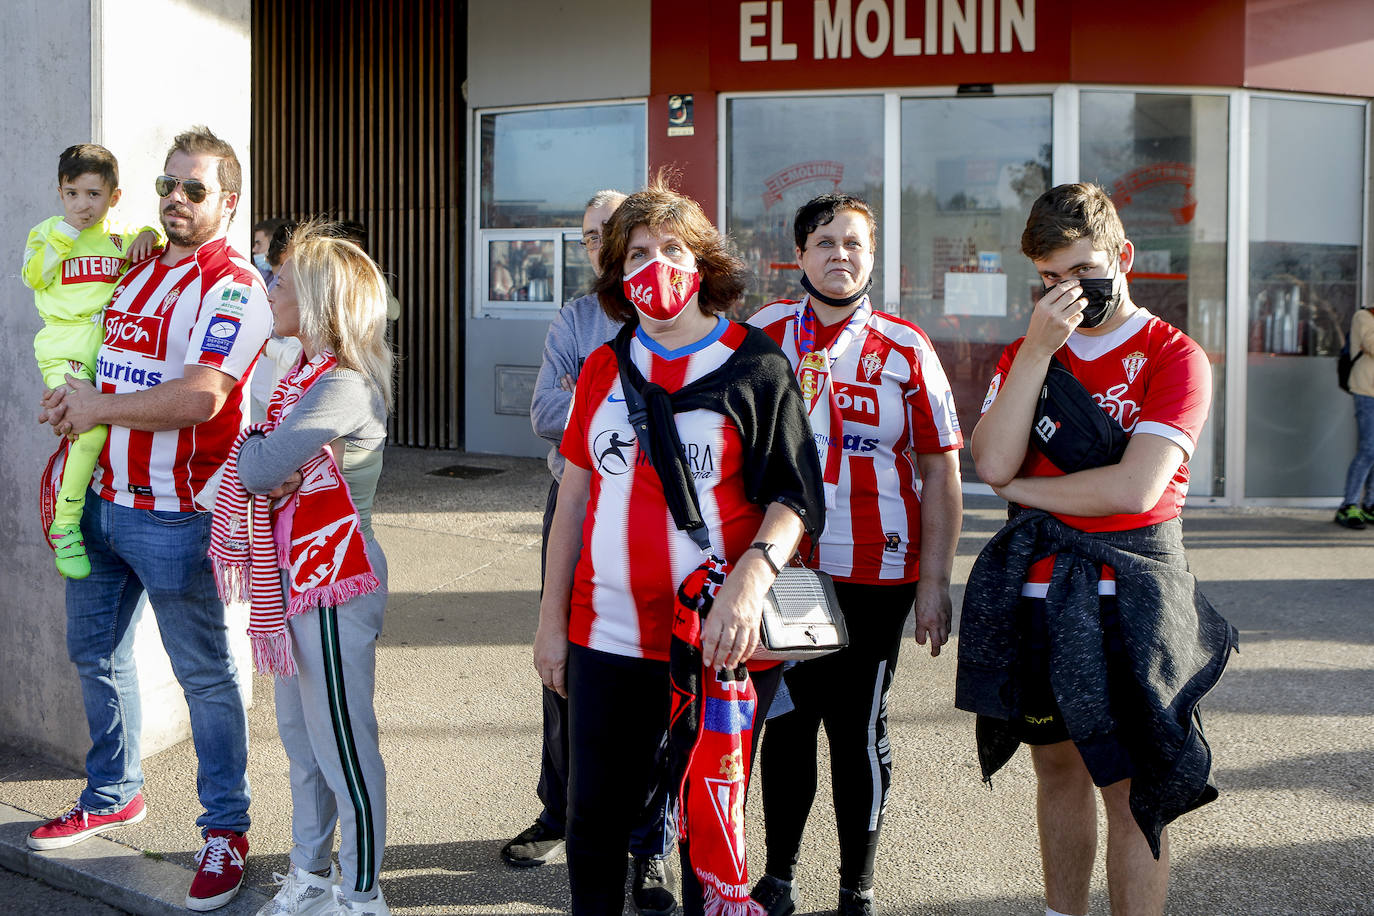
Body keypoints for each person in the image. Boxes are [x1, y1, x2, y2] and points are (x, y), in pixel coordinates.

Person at [533, 181, 825, 915]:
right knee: (593, 822)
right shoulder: (603, 367)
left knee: (706, 828)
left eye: (672, 248)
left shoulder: (756, 365)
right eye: (636, 252)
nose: (654, 264)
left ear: (703, 263)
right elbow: (573, 500)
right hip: (606, 636)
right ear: (615, 272)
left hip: (714, 644)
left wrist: (751, 581)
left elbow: (795, 500)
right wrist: (549, 624)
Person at [958, 183, 1238, 916]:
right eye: (1049, 278)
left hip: (1130, 597)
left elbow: (1136, 490)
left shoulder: (1174, 355)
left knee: (1132, 788)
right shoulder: (1028, 351)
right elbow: (991, 466)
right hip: (1039, 596)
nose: (1065, 292)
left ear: (1124, 258)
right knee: (1055, 771)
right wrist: (1037, 357)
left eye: (1081, 272)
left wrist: (1031, 492)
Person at [31, 126, 271, 913]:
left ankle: (226, 830)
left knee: (205, 677)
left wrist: (100, 404)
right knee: (94, 656)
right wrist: (74, 403)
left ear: (227, 203)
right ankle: (113, 793)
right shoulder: (136, 270)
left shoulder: (234, 284)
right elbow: (98, 352)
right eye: (169, 184)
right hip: (100, 501)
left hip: (177, 519)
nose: (177, 198)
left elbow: (203, 395)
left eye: (195, 189)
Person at [747, 194, 964, 916]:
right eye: (825, 241)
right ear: (800, 254)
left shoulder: (906, 346)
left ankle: (856, 889)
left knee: (857, 725)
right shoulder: (762, 333)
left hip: (878, 570)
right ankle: (777, 879)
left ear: (873, 258)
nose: (841, 254)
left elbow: (941, 469)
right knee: (788, 721)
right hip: (788, 569)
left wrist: (935, 581)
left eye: (855, 244)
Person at [511, 188, 680, 913]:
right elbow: (544, 412)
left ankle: (651, 844)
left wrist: (600, 399)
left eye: (609, 231)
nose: (598, 245)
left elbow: (695, 415)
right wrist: (610, 397)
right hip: (579, 508)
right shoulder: (577, 318)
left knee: (661, 684)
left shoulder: (684, 317)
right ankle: (561, 808)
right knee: (564, 670)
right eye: (588, 237)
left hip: (662, 518)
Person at [226, 222, 394, 916]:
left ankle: (360, 893)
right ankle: (311, 874)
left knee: (343, 748)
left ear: (319, 299)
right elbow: (260, 455)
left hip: (333, 584)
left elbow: (257, 463)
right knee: (301, 743)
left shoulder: (344, 385)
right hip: (299, 580)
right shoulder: (300, 374)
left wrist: (266, 455)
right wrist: (265, 453)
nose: (269, 283)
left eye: (281, 278)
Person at [22, 143, 161, 579]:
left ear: (113, 196)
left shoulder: (120, 233)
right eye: (72, 194)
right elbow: (34, 275)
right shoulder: (46, 231)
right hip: (63, 346)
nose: (83, 205)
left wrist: (149, 236)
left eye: (94, 195)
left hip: (110, 350)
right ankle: (65, 524)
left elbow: (150, 242)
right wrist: (65, 231)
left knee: (114, 430)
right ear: (60, 193)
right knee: (92, 427)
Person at [250, 221, 303, 422]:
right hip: (262, 390)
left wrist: (266, 345)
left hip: (286, 401)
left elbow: (296, 356)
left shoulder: (308, 294)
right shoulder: (258, 280)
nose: (271, 297)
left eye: (258, 243)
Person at [1335, 304, 1374, 529]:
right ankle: (1348, 505)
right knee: (1369, 449)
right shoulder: (1363, 316)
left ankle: (1370, 505)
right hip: (1366, 392)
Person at [253, 217, 286, 283]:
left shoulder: (289, 281)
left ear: (275, 244)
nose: (254, 250)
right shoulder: (264, 275)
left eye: (259, 243)